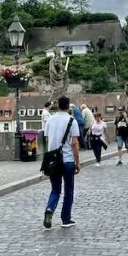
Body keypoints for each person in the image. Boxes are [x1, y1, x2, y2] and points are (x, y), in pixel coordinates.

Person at [43, 97, 81, 229]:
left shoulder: (50, 120)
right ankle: (66, 219)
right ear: (68, 107)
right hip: (67, 160)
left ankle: (49, 209)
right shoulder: (72, 120)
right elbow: (75, 143)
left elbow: (47, 139)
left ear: (58, 106)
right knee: (68, 190)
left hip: (53, 160)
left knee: (55, 190)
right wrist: (78, 162)